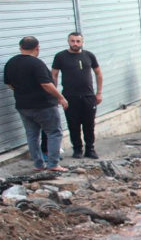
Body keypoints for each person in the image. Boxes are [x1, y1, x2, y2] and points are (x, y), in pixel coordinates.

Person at [4, 36, 69, 172]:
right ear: (37, 47)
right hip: (43, 106)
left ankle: (38, 165)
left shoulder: (10, 63)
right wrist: (60, 97)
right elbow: (46, 83)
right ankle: (53, 164)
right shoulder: (36, 63)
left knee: (32, 135)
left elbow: (9, 83)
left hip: (23, 106)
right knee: (54, 133)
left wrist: (22, 93)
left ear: (20, 47)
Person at [51, 32, 103, 160]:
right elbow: (54, 75)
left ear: (82, 42)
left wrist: (99, 92)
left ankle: (90, 149)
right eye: (73, 41)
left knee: (89, 124)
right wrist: (56, 95)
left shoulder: (89, 55)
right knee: (73, 125)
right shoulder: (60, 56)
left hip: (88, 96)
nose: (75, 44)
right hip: (70, 97)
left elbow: (98, 74)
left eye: (78, 41)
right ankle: (77, 150)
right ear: (68, 41)